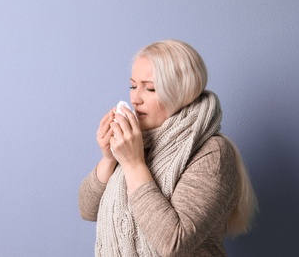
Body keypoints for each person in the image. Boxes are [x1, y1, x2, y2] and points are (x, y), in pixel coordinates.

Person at [78, 39, 258, 256]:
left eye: (150, 89)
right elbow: (87, 209)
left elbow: (174, 242)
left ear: (182, 92)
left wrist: (134, 164)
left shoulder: (212, 153)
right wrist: (109, 158)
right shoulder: (138, 141)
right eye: (133, 86)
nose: (135, 98)